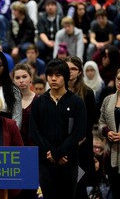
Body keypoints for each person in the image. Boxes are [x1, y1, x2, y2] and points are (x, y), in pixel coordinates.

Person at [29, 59, 87, 199]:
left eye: (58, 75)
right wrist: (51, 153)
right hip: (45, 162)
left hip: (69, 161)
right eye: (50, 75)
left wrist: (59, 153)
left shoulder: (77, 102)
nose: (53, 78)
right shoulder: (38, 102)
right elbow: (34, 131)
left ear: (66, 77)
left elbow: (79, 132)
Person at [65, 56, 97, 199]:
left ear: (79, 72)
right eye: (68, 68)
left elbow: (90, 121)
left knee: (79, 186)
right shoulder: (57, 90)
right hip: (62, 145)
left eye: (74, 69)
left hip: (81, 146)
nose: (70, 72)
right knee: (64, 186)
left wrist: (77, 141)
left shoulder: (87, 93)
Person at [12, 63, 38, 199]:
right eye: (17, 77)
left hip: (31, 152)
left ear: (30, 78)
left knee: (29, 192)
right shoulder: (8, 101)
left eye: (24, 77)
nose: (21, 80)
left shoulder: (39, 101)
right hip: (13, 152)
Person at [98, 68, 120, 199]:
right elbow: (101, 122)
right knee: (115, 189)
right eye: (118, 79)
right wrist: (107, 132)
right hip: (112, 152)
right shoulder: (108, 99)